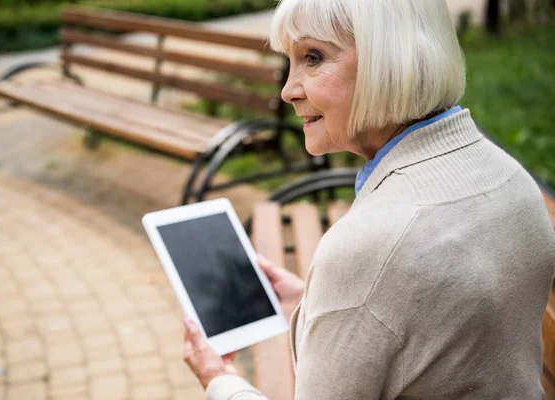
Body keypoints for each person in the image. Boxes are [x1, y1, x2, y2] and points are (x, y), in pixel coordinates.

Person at [182, 0, 555, 398]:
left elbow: (390, 267)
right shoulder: (509, 176)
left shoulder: (369, 244)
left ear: (389, 60)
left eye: (313, 57)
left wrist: (220, 380)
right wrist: (320, 306)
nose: (288, 91)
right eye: (289, 62)